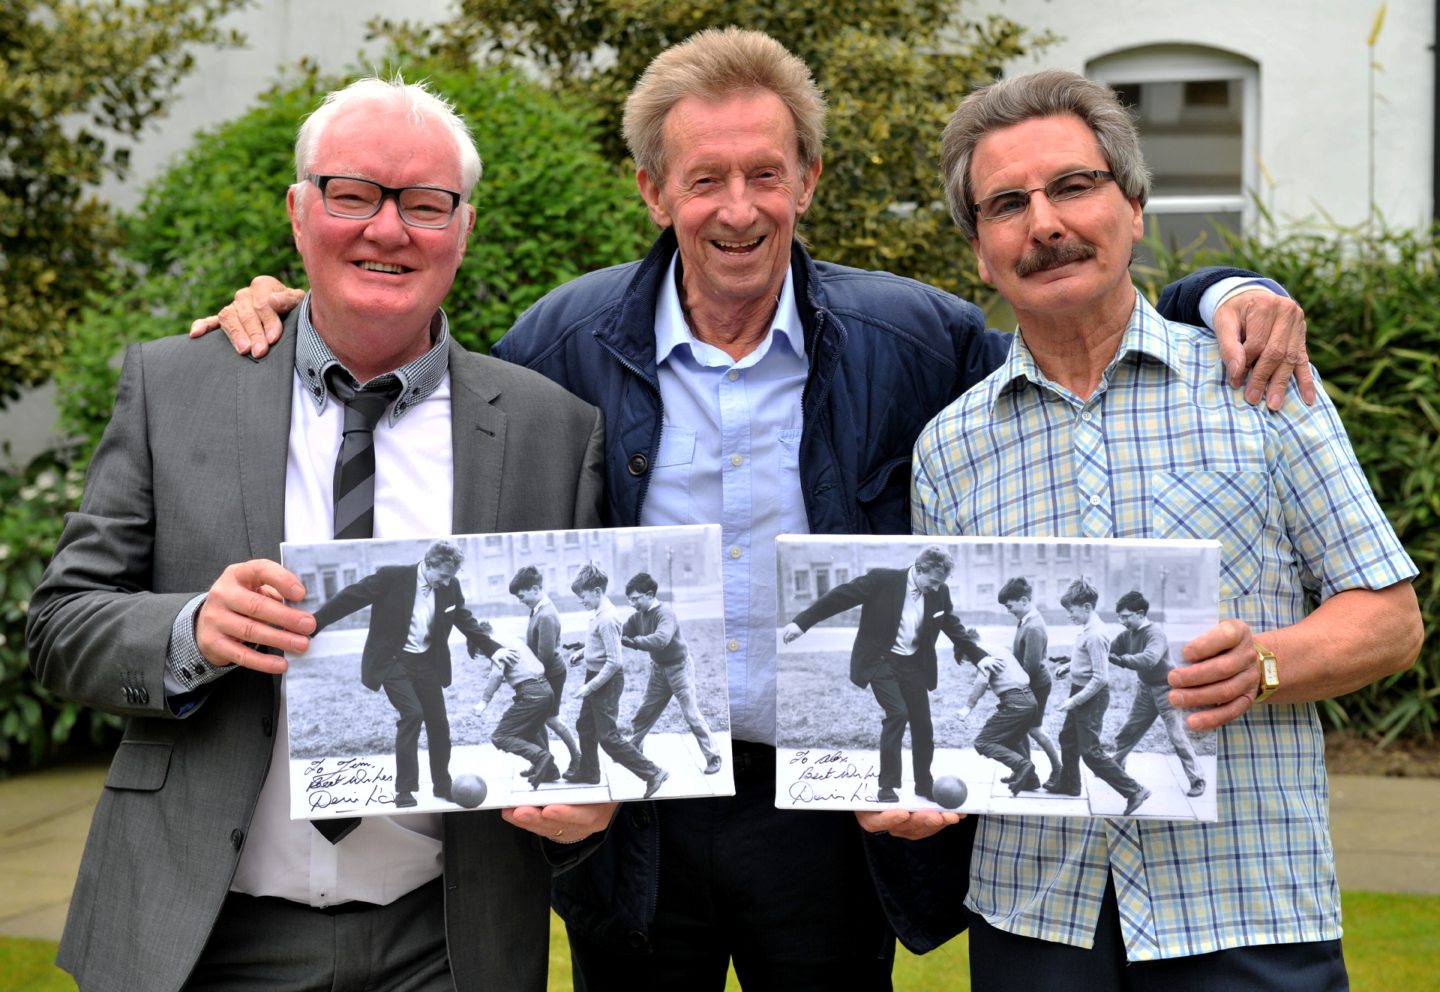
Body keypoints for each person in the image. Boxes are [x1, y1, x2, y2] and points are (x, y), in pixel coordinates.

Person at [189, 28, 1314, 987]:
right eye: (706, 178)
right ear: (653, 189)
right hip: (632, 802)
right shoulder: (563, 342)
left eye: (766, 174)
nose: (738, 208)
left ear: (807, 180)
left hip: (823, 809)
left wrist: (1221, 291)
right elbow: (434, 376)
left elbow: (1068, 316)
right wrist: (300, 316)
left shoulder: (908, 338)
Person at [26, 77, 609, 992]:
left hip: (446, 942)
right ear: (300, 214)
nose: (387, 229)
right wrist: (189, 632)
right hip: (202, 933)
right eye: (353, 195)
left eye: (425, 204)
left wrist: (588, 795)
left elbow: (573, 676)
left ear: (462, 228)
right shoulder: (176, 389)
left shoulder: (552, 431)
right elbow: (59, 626)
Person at [911, 68, 1423, 989]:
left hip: (1244, 900)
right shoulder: (950, 449)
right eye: (1007, 204)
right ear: (981, 252)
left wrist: (1263, 662)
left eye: (1073, 185)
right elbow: (958, 690)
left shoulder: (1266, 386)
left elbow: (1389, 619)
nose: (1046, 223)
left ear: (1135, 208)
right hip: (1036, 912)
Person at [309, 540, 496, 807]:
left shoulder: (450, 585)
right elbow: (350, 598)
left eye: (450, 577)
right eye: (443, 576)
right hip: (394, 661)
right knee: (412, 714)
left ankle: (442, 784)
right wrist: (314, 623)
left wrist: (494, 650)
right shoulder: (392, 577)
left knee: (439, 726)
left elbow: (464, 620)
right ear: (428, 564)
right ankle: (405, 789)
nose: (446, 582)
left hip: (427, 663)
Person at [781, 545, 971, 804]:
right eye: (933, 581)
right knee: (897, 713)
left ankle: (924, 784)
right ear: (919, 569)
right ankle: (888, 785)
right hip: (881, 661)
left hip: (914, 664)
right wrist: (801, 623)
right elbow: (839, 597)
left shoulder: (940, 591)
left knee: (923, 726)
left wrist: (981, 657)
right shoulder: (882, 580)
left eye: (941, 583)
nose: (937, 588)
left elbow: (952, 625)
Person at [567, 563, 671, 798]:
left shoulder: (607, 619)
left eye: (582, 596)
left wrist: (589, 686)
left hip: (607, 681)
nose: (580, 601)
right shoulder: (598, 613)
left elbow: (614, 661)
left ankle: (653, 773)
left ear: (596, 591)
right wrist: (582, 652)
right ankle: (590, 772)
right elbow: (600, 646)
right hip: (596, 675)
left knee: (608, 738)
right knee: (585, 725)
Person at [1047, 580, 1151, 814]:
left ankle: (1134, 790)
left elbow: (1100, 678)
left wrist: (1074, 701)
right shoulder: (1088, 629)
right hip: (1082, 692)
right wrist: (1070, 667)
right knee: (1068, 738)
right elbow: (1090, 662)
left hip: (1091, 698)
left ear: (1085, 607)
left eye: (1071, 611)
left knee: (1091, 752)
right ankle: (1070, 784)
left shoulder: (1095, 634)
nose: (1068, 615)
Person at [621, 571, 723, 774]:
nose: (632, 604)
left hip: (679, 668)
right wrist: (585, 646)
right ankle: (635, 750)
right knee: (643, 713)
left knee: (691, 715)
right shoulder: (637, 617)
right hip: (658, 670)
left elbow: (660, 640)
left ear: (650, 595)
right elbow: (617, 633)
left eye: (635, 599)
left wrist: (634, 643)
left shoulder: (666, 614)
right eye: (629, 600)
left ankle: (714, 757)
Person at [1107, 590, 1205, 797]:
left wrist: (1122, 660)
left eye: (1125, 617)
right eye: (1119, 617)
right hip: (1145, 689)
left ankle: (1197, 779)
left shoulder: (1155, 634)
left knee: (1176, 736)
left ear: (1140, 613)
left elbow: (1149, 659)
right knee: (1128, 731)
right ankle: (1116, 767)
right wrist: (1071, 662)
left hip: (1167, 690)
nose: (1121, 621)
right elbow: (1105, 650)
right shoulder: (1127, 635)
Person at [504, 564, 582, 774]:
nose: (521, 601)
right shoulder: (537, 609)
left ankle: (577, 758)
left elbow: (544, 657)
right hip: (541, 673)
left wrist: (524, 674)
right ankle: (546, 766)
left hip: (551, 674)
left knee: (551, 720)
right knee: (537, 721)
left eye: (522, 596)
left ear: (535, 589)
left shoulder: (546, 615)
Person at [472, 619, 561, 787]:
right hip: (545, 689)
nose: (484, 652)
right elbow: (523, 666)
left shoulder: (495, 645)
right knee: (531, 729)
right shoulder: (510, 639)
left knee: (501, 736)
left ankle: (540, 757)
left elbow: (496, 675)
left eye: (480, 648)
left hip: (531, 694)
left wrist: (484, 701)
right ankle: (550, 770)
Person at [954, 634, 1041, 794]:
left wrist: (968, 707)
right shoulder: (998, 649)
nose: (973, 662)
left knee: (983, 742)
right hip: (1029, 699)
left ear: (967, 649)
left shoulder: (982, 653)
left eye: (967, 658)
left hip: (1015, 702)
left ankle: (1022, 766)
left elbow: (981, 681)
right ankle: (1030, 779)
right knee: (1014, 739)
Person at [996, 576, 1060, 786]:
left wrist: (1011, 685)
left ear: (1024, 600)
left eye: (1010, 606)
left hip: (1035, 686)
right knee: (1020, 730)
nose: (1009, 610)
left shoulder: (1033, 627)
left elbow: (1030, 668)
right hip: (1028, 684)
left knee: (1034, 730)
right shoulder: (1026, 621)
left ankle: (1059, 770)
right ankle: (1026, 774)